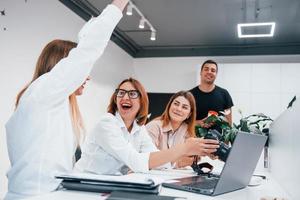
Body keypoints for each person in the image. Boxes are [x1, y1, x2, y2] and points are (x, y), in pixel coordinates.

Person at [5, 0, 129, 199]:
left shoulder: (49, 100)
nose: (87, 76)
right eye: (82, 70)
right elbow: (88, 50)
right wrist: (118, 5)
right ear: (61, 67)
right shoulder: (44, 91)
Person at [75, 78, 219, 175]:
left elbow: (157, 161)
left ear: (142, 101)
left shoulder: (139, 128)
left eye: (132, 94)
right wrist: (184, 148)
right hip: (85, 184)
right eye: (121, 93)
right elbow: (136, 161)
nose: (125, 98)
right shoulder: (107, 124)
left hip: (111, 185)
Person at [146, 91, 197, 169]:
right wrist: (177, 163)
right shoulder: (153, 127)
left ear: (189, 114)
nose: (178, 109)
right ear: (169, 106)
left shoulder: (187, 131)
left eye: (184, 107)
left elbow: (188, 161)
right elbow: (148, 161)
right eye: (176, 104)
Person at [190, 60, 234, 129]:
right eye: (206, 69)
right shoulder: (190, 95)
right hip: (195, 138)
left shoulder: (224, 94)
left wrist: (227, 138)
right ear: (201, 72)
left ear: (216, 74)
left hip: (218, 139)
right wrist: (198, 123)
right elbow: (184, 122)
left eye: (213, 70)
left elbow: (229, 120)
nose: (209, 72)